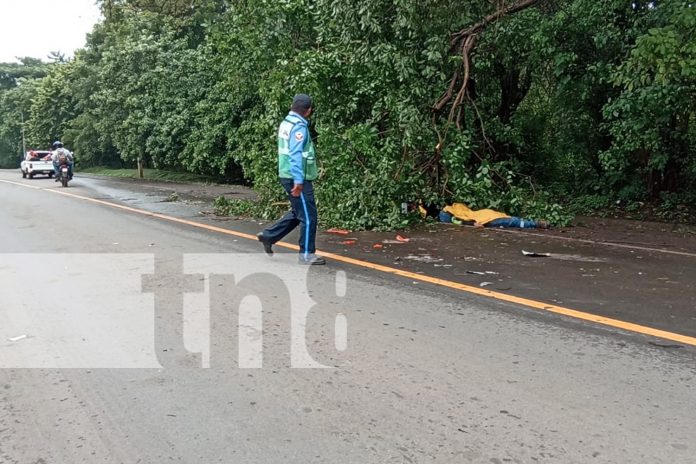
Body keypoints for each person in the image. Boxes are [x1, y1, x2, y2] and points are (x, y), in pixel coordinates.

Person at [257, 94, 325, 265]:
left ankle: (269, 236)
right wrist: (299, 181)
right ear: (308, 111)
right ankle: (307, 255)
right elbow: (295, 154)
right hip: (296, 176)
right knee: (309, 217)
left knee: (298, 213)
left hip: (287, 174)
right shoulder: (299, 127)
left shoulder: (286, 122)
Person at [440, 203, 549, 229]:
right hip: (484, 214)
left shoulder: (447, 215)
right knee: (507, 218)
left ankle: (534, 224)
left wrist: (473, 223)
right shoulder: (453, 207)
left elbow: (458, 221)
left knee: (509, 221)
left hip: (483, 219)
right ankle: (532, 222)